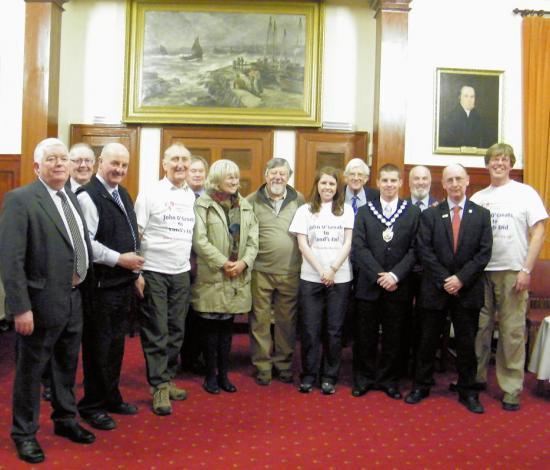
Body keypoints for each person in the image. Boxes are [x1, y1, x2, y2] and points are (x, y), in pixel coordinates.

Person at [0, 138, 95, 464]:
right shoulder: (21, 200)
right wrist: (20, 307)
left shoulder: (69, 197)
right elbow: (10, 260)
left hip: (72, 300)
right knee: (31, 372)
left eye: (63, 158)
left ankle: (65, 420)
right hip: (38, 306)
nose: (59, 164)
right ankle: (24, 434)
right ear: (37, 166)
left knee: (66, 368)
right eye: (51, 159)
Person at [405, 164, 492, 414]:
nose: (454, 184)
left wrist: (460, 279)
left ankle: (468, 391)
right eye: (449, 180)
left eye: (458, 179)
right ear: (442, 184)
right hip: (435, 288)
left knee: (466, 343)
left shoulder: (481, 214)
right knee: (427, 341)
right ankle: (421, 386)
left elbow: (484, 252)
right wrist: (446, 279)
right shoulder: (431, 215)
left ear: (467, 182)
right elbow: (424, 250)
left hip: (467, 289)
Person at [471, 143, 547, 411]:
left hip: (513, 272)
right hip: (481, 273)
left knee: (512, 332)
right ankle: (476, 378)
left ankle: (511, 388)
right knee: (479, 328)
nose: (499, 163)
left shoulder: (525, 194)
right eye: (494, 159)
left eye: (504, 159)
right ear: (487, 164)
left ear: (511, 164)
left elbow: (539, 232)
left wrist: (526, 269)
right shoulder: (479, 198)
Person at [77, 142, 144, 430]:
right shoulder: (87, 196)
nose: (119, 169)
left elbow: (130, 235)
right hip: (101, 287)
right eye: (114, 163)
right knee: (98, 348)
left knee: (116, 346)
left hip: (122, 285)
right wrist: (121, 260)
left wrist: (135, 272)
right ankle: (92, 405)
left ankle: (111, 396)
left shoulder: (122, 192)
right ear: (100, 162)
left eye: (124, 165)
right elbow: (86, 245)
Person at [134, 144, 195, 415]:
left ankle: (167, 378)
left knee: (176, 329)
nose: (180, 164)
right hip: (154, 271)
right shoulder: (151, 193)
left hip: (181, 272)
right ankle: (158, 386)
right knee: (157, 331)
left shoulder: (190, 195)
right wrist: (137, 273)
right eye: (175, 160)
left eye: (184, 160)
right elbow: (136, 233)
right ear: (164, 163)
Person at [351, 163, 420, 400]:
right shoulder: (364, 211)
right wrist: (380, 275)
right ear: (377, 183)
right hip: (369, 285)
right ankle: (364, 378)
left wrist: (394, 275)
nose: (389, 185)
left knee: (395, 336)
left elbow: (415, 249)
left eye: (393, 180)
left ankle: (390, 380)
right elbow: (359, 248)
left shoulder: (412, 212)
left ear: (401, 183)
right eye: (385, 180)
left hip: (398, 286)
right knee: (365, 335)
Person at [191, 159, 259, 394]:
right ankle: (210, 376)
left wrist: (243, 263)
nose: (234, 181)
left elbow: (253, 241)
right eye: (229, 177)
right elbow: (199, 240)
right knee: (211, 330)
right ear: (217, 179)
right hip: (212, 275)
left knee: (226, 329)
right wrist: (223, 263)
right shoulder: (203, 204)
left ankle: (224, 374)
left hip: (236, 276)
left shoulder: (245, 205)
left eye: (236, 177)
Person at [289, 167, 354, 395]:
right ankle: (308, 375)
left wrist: (333, 269)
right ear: (317, 185)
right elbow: (302, 244)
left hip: (340, 278)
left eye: (332, 184)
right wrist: (321, 271)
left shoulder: (346, 210)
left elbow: (348, 243)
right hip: (311, 277)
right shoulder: (304, 210)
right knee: (310, 329)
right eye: (324, 183)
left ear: (338, 188)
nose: (328, 188)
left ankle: (329, 377)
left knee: (334, 331)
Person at [41, 142, 97, 403]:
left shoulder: (76, 196)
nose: (82, 165)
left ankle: (64, 397)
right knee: (48, 346)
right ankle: (49, 385)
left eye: (88, 161)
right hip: (50, 290)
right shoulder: (44, 197)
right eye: (76, 160)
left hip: (79, 287)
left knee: (69, 348)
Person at [247, 158, 304, 386]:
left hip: (290, 271)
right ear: (266, 174)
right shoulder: (251, 200)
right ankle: (262, 366)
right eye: (273, 173)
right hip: (260, 271)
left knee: (286, 321)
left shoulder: (299, 200)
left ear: (288, 177)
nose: (277, 177)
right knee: (259, 321)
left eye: (282, 174)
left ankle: (284, 365)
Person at [401, 165, 437, 377]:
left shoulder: (439, 207)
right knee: (403, 320)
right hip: (405, 274)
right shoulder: (401, 206)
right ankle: (402, 366)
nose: (420, 182)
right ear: (409, 182)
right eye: (416, 179)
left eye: (424, 179)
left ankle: (422, 370)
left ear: (430, 182)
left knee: (426, 324)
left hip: (430, 276)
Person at [180, 155, 209, 373]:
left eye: (201, 171)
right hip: (180, 262)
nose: (197, 174)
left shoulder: (212, 199)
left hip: (205, 264)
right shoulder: (178, 196)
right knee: (183, 313)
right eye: (193, 171)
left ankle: (197, 356)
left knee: (201, 313)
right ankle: (182, 356)